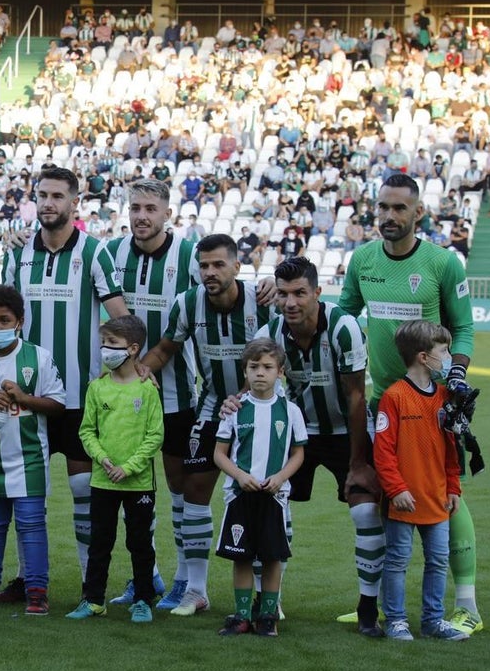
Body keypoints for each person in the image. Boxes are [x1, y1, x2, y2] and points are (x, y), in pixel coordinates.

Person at [339, 174, 481, 636]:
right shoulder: (362, 259)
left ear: (419, 212)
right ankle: (382, 604)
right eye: (383, 207)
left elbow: (463, 328)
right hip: (383, 398)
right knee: (387, 496)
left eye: (399, 208)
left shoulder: (443, 263)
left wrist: (456, 374)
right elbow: (343, 316)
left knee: (446, 496)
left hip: (434, 401)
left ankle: (467, 606)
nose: (389, 216)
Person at [0, 166, 129, 593]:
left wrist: (133, 362)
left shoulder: (94, 252)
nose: (49, 203)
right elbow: (2, 316)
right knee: (24, 492)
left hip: (78, 396)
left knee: (82, 488)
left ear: (75, 202)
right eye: (43, 195)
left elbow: (120, 315)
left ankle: (91, 581)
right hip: (25, 395)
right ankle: (26, 577)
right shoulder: (17, 253)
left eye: (57, 196)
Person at [239, 257, 381, 635]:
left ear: (317, 292)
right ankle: (267, 600)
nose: (290, 302)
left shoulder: (344, 328)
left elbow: (355, 397)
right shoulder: (271, 331)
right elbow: (258, 384)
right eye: (283, 294)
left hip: (345, 430)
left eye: (300, 293)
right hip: (298, 431)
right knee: (270, 507)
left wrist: (359, 462)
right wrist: (234, 403)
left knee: (366, 511)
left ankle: (369, 606)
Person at [140, 233, 270, 616]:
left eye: (218, 264)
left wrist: (244, 395)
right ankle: (196, 590)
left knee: (261, 498)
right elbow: (166, 348)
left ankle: (266, 595)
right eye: (204, 266)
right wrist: (139, 372)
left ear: (237, 267)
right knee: (194, 492)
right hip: (213, 408)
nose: (210, 272)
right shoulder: (187, 302)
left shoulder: (263, 303)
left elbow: (276, 357)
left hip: (260, 410)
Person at [0, 286, 66, 615]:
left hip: (30, 460)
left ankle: (37, 591)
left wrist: (23, 398)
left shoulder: (38, 357)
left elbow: (57, 404)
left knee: (32, 527)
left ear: (19, 322)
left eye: (4, 320)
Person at [68, 315, 164, 623]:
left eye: (112, 343)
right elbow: (87, 431)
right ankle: (94, 600)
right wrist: (102, 459)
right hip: (104, 480)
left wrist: (129, 467)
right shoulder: (97, 388)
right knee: (100, 542)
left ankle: (143, 600)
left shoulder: (147, 389)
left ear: (133, 349)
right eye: (103, 342)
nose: (105, 349)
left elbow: (155, 436)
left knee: (140, 544)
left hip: (138, 483)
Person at [375, 321, 467, 641]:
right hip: (403, 499)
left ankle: (433, 620)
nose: (450, 357)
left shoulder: (445, 397)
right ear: (424, 357)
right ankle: (396, 620)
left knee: (438, 560)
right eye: (445, 351)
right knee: (398, 560)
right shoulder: (394, 396)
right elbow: (383, 452)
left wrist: (453, 487)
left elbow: (452, 449)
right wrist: (396, 489)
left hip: (437, 497)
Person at [213, 339, 307, 637]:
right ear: (245, 371)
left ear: (280, 372)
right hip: (240, 495)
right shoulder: (235, 409)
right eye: (254, 367)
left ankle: (267, 615)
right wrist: (240, 476)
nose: (260, 373)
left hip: (274, 497)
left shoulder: (290, 411)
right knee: (241, 556)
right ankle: (242, 616)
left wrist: (280, 477)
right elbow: (219, 454)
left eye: (268, 367)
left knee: (271, 556)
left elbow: (298, 453)